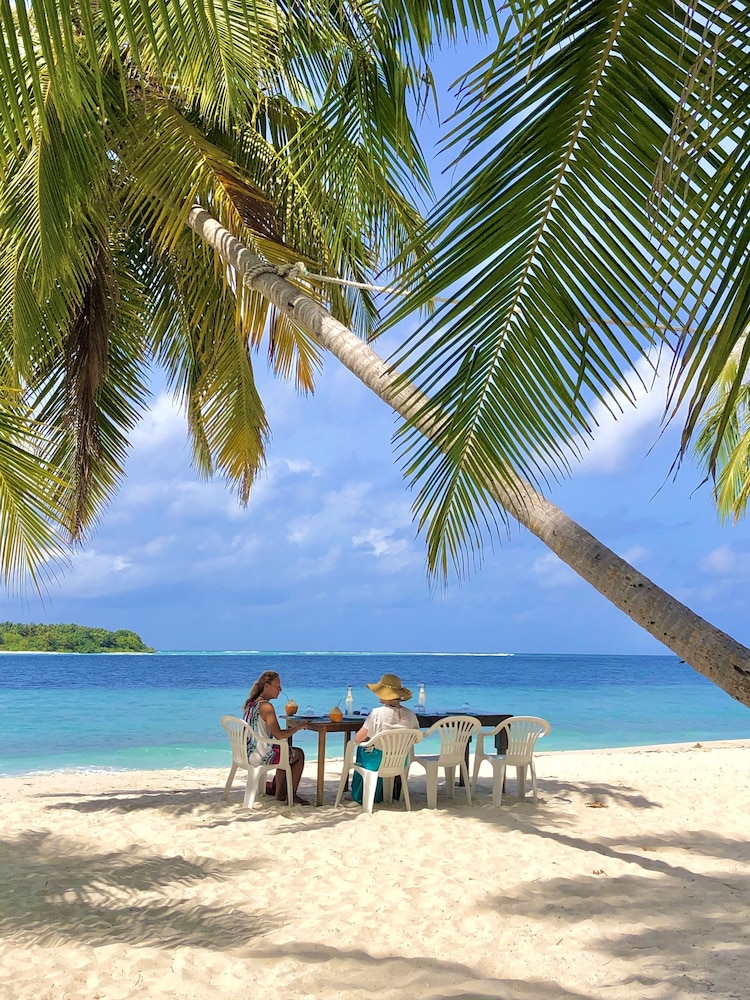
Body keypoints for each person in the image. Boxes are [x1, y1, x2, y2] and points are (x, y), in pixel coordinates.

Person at [243, 670, 311, 805]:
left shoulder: (251, 703)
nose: (280, 689)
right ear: (267, 686)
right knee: (298, 754)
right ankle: (291, 795)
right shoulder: (266, 706)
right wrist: (297, 727)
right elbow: (278, 735)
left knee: (283, 749)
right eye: (277, 686)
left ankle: (279, 793)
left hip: (248, 752)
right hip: (261, 755)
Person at [351, 673, 420, 804]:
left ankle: (359, 795)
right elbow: (416, 738)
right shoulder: (411, 715)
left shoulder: (377, 714)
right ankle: (380, 794)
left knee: (362, 750)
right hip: (401, 761)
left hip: (377, 761)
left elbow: (357, 738)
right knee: (380, 750)